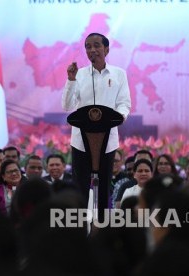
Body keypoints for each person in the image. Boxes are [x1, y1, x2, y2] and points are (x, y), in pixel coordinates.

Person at [63, 32, 131, 221]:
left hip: (107, 139)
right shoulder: (79, 75)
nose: (92, 50)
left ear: (106, 49)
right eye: (88, 46)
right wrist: (70, 80)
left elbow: (124, 103)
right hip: (80, 141)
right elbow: (67, 106)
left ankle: (102, 231)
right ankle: (79, 231)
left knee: (103, 189)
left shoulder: (119, 74)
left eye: (96, 45)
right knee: (81, 187)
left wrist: (120, 118)